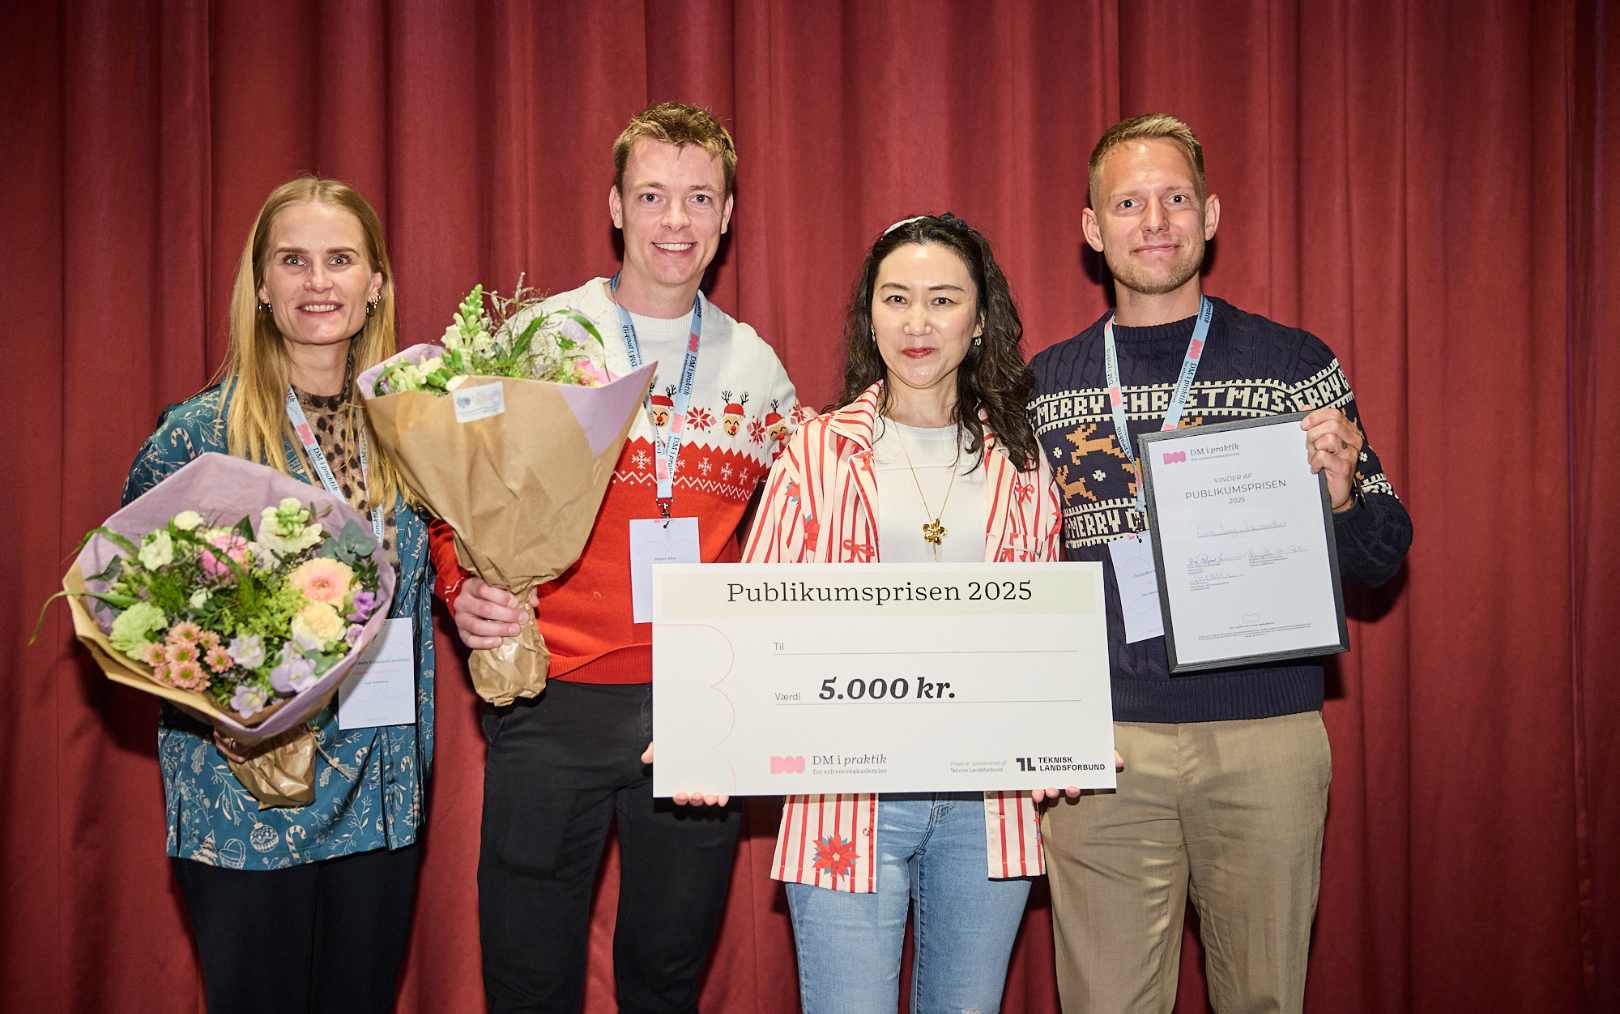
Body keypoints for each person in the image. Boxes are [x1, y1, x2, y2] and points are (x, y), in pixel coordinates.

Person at [1030, 113, 1414, 1013]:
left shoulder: (1294, 365)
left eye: (1173, 198)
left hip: (1265, 740)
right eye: (1127, 202)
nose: (1153, 220)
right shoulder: (1042, 383)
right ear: (1093, 229)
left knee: (1265, 1002)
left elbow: (1383, 554)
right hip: (1104, 750)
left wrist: (1345, 491)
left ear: (1210, 216)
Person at [429, 102, 802, 1013]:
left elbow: (796, 536)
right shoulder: (540, 340)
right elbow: (453, 496)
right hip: (551, 697)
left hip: (698, 708)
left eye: (698, 198)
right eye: (653, 195)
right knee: (527, 975)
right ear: (615, 206)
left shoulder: (760, 368)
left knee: (667, 979)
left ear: (725, 216)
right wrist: (460, 584)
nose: (675, 220)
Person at [122, 176, 435, 1014]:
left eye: (340, 259)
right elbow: (127, 605)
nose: (317, 282)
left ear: (376, 284)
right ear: (260, 286)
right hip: (246, 795)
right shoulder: (200, 433)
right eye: (292, 261)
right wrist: (224, 699)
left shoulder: (413, 427)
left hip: (383, 788)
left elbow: (447, 569)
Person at [741, 213, 1061, 1014]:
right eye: (897, 299)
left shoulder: (1023, 466)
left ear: (980, 318)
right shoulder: (813, 451)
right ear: (870, 314)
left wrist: (1068, 735)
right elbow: (758, 620)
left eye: (944, 299)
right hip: (846, 799)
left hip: (987, 806)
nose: (918, 323)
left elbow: (1046, 638)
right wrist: (712, 729)